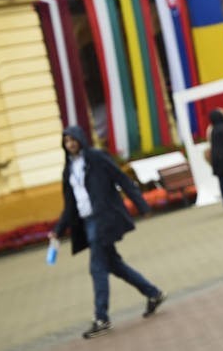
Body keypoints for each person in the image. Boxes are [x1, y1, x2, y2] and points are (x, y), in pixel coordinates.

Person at [49, 125, 166, 339]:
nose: (70, 144)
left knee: (97, 268)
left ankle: (101, 318)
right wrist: (58, 230)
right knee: (115, 266)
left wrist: (142, 205)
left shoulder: (96, 157)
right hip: (87, 221)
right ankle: (153, 293)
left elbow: (121, 178)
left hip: (103, 219)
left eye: (72, 139)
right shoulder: (68, 170)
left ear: (80, 139)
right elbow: (70, 204)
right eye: (66, 141)